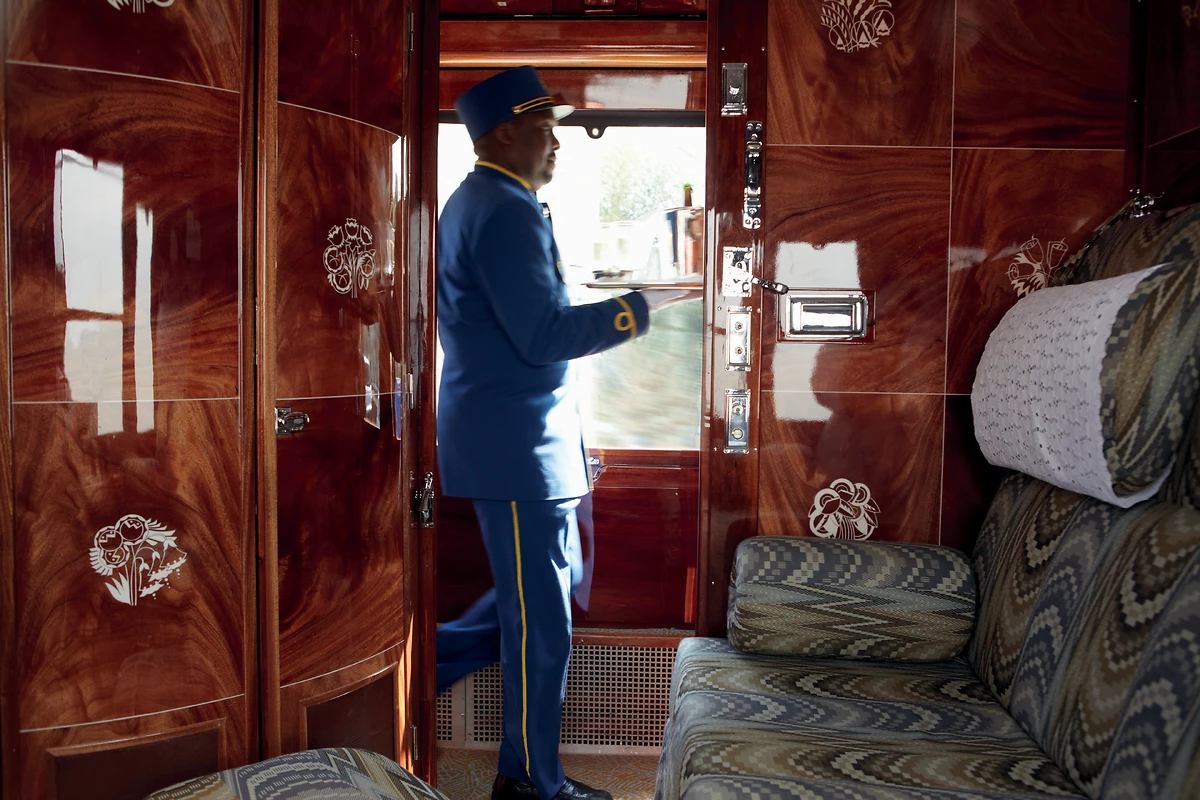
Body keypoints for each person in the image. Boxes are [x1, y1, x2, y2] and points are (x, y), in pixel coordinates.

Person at [435, 66, 693, 800]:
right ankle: (530, 785)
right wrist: (651, 301)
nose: (558, 144)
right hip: (515, 453)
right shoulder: (502, 207)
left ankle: (437, 660)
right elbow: (545, 335)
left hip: (526, 446)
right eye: (546, 129)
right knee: (540, 626)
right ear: (505, 132)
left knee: (545, 606)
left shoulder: (490, 202)